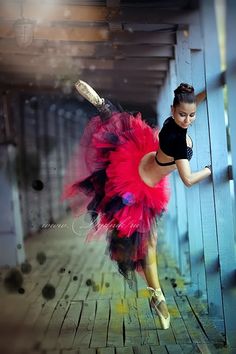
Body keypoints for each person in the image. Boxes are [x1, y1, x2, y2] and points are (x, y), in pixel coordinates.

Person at [61, 81, 211, 330]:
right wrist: (208, 170)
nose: (187, 120)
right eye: (183, 115)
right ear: (173, 110)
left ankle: (101, 105)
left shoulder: (172, 122)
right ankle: (158, 297)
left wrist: (202, 96)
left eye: (191, 115)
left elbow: (191, 105)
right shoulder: (178, 143)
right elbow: (188, 179)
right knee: (145, 244)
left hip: (142, 156)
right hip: (136, 184)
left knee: (120, 133)